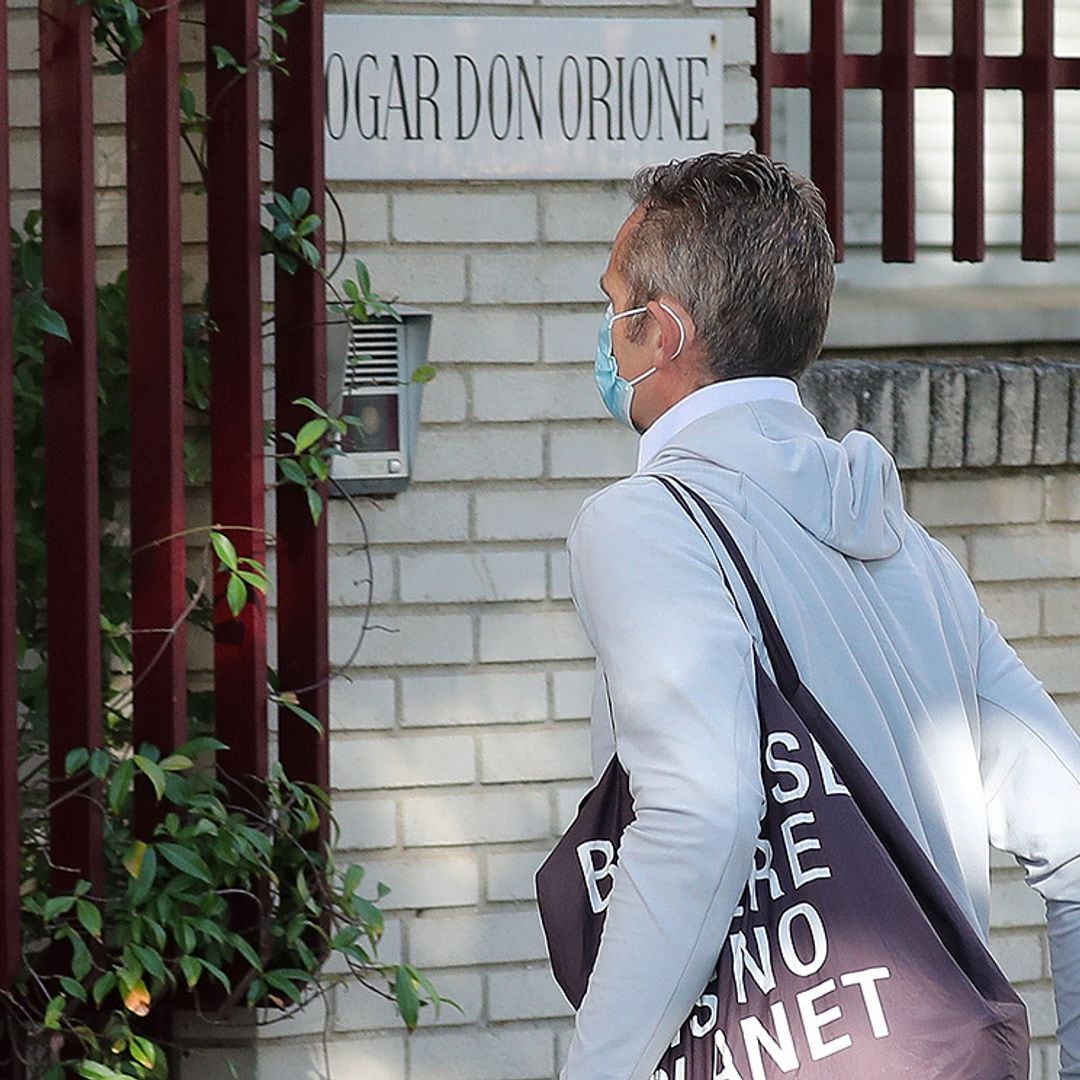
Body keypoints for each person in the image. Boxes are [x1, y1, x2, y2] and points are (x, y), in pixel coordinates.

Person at [561, 151, 1080, 1080]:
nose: (607, 338)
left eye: (615, 308)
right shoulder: (910, 549)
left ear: (665, 333)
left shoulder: (644, 524)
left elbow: (701, 815)